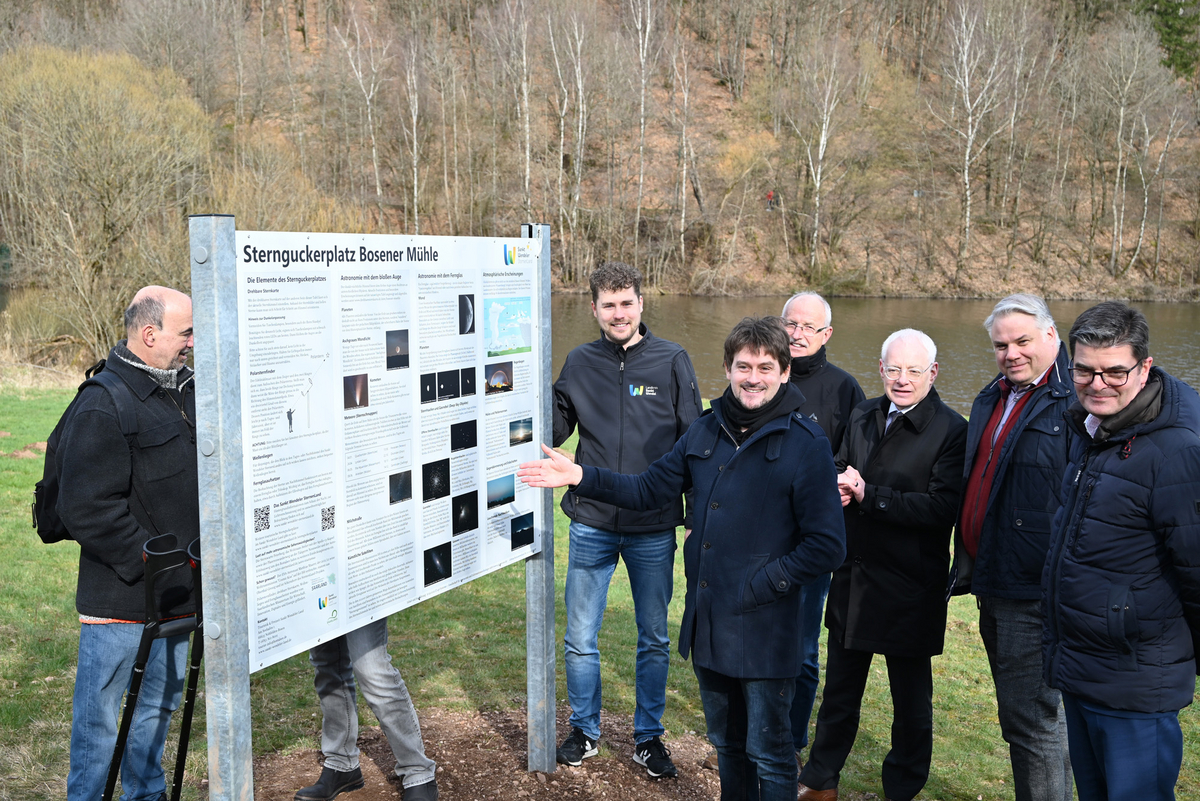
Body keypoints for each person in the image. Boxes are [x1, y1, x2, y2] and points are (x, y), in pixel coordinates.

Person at [523, 316, 847, 800]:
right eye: (743, 366)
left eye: (765, 367)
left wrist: (764, 583)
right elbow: (648, 488)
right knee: (728, 745)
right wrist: (581, 476)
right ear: (727, 368)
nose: (753, 378)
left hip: (767, 628)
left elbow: (827, 545)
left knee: (770, 751)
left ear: (784, 372)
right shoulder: (705, 430)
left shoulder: (806, 443)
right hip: (710, 622)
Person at [799, 329, 967, 801]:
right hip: (854, 577)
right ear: (880, 369)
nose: (902, 379)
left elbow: (942, 509)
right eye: (893, 369)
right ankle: (820, 780)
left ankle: (902, 789)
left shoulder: (953, 430)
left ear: (933, 373)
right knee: (839, 692)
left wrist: (869, 495)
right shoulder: (863, 413)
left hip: (910, 584)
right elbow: (838, 465)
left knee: (910, 702)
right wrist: (837, 483)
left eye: (914, 370)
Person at [551, 261, 703, 778]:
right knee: (580, 636)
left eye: (627, 303)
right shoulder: (579, 362)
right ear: (593, 308)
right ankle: (584, 730)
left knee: (654, 636)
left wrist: (694, 512)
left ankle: (648, 737)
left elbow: (695, 443)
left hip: (653, 526)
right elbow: (553, 426)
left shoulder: (672, 360)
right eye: (609, 305)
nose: (619, 314)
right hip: (591, 520)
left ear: (641, 304)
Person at [1043, 301, 1200, 801]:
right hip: (1082, 669)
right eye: (1084, 370)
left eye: (1114, 372)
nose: (1098, 384)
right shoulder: (1090, 430)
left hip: (1136, 681)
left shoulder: (1177, 452)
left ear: (1144, 367)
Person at [58, 286, 199, 801]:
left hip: (177, 596)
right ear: (150, 334)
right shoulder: (103, 402)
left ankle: (146, 794)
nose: (192, 342)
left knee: (157, 710)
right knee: (98, 725)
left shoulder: (187, 392)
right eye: (186, 333)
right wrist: (153, 563)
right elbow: (87, 507)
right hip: (120, 602)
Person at [950, 294, 1074, 801]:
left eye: (1022, 341)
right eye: (1001, 345)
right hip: (992, 580)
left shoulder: (1075, 401)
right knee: (1025, 719)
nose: (1011, 353)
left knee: (1033, 722)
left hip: (1033, 589)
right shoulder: (994, 395)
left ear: (1051, 335)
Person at [780, 292, 864, 768]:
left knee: (803, 646)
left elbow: (851, 460)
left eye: (808, 327)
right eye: (791, 323)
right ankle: (752, 730)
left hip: (810, 536)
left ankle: (790, 741)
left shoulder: (844, 389)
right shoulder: (764, 374)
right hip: (757, 532)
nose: (797, 334)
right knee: (753, 634)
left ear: (826, 334)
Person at [295, 620, 438, 801]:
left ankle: (418, 773)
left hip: (360, 601)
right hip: (320, 602)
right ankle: (341, 764)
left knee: (371, 668)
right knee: (327, 664)